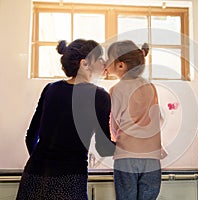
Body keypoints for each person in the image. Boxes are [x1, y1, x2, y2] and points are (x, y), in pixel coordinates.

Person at [16, 39, 115, 200]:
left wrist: (43, 164)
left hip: (33, 177)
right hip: (70, 181)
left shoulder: (51, 89)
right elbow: (104, 147)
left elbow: (31, 137)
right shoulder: (100, 96)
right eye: (100, 58)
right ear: (84, 64)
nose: (105, 63)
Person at [106, 40, 167, 200]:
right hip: (152, 157)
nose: (106, 62)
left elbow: (114, 123)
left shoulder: (116, 89)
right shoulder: (150, 87)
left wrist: (114, 138)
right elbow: (157, 118)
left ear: (120, 65)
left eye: (109, 59)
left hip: (126, 155)